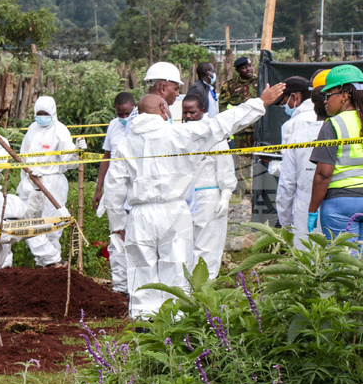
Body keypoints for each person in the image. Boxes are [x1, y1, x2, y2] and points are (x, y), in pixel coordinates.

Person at [105, 82, 286, 321]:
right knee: (177, 267)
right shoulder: (178, 134)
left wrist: (117, 223)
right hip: (174, 209)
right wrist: (259, 103)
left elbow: (114, 186)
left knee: (141, 271)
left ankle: (143, 327)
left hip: (140, 213)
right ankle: (176, 324)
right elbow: (222, 124)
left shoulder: (125, 144)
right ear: (162, 107)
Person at [17, 96, 82, 268]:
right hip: (31, 181)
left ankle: (47, 266)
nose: (42, 117)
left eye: (45, 113)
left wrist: (77, 152)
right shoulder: (32, 129)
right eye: (39, 113)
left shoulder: (60, 130)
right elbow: (23, 155)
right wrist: (29, 172)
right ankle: (51, 259)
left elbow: (69, 161)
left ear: (52, 113)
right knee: (31, 223)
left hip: (52, 183)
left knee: (53, 226)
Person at [181, 91, 236, 279]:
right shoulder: (180, 136)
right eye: (185, 112)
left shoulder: (215, 136)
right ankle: (189, 285)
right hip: (186, 197)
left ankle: (206, 284)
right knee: (187, 243)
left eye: (192, 112)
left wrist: (226, 196)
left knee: (209, 244)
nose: (188, 116)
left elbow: (226, 169)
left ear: (203, 111)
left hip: (210, 197)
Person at [309, 65, 363, 243]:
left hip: (341, 205)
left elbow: (324, 174)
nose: (325, 101)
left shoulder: (334, 124)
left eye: (328, 95)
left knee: (344, 266)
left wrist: (312, 210)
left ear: (344, 95)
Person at [93, 92, 135, 294]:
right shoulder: (113, 126)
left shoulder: (142, 127)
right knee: (117, 237)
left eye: (127, 113)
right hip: (116, 191)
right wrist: (98, 189)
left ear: (134, 108)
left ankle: (138, 286)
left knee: (136, 239)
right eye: (120, 114)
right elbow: (107, 158)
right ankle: (120, 287)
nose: (124, 118)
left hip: (137, 191)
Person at [275, 75, 325, 248]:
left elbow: (287, 180)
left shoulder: (293, 126)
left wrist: (286, 221)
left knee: (306, 263)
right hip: (335, 201)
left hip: (305, 201)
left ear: (295, 96)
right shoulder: (343, 124)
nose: (285, 107)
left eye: (284, 102)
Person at [220, 56, 260, 193]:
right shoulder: (230, 86)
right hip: (241, 130)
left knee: (263, 159)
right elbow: (222, 107)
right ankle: (247, 191)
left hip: (260, 128)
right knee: (243, 161)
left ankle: (264, 189)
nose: (248, 69)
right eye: (244, 68)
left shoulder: (260, 81)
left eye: (249, 66)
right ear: (238, 70)